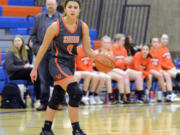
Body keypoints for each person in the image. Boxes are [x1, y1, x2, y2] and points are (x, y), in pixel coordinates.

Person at [30, 0, 96, 135]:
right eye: (70, 7)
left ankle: (46, 129)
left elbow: (88, 50)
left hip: (70, 64)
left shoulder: (83, 27)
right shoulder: (55, 26)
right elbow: (42, 48)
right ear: (65, 9)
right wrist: (34, 68)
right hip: (57, 63)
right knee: (75, 92)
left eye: (75, 7)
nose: (72, 9)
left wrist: (99, 57)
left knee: (57, 95)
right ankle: (76, 129)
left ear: (79, 10)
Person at [31, 0, 61, 111]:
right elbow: (33, 35)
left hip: (56, 53)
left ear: (56, 5)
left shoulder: (62, 18)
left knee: (58, 78)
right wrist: (37, 48)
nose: (50, 6)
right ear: (46, 5)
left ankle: (59, 102)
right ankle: (44, 103)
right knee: (44, 79)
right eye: (48, 4)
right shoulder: (38, 18)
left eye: (52, 4)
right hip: (42, 53)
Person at [4, 35, 40, 104]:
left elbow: (27, 64)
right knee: (34, 73)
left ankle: (37, 98)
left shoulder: (23, 52)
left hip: (22, 73)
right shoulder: (10, 52)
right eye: (15, 41)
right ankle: (38, 98)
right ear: (13, 43)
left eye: (19, 40)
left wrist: (28, 66)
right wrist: (23, 67)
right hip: (13, 74)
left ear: (22, 42)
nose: (17, 42)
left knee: (36, 74)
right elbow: (9, 67)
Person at [150, 37, 173, 102]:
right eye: (154, 42)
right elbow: (149, 65)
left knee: (167, 75)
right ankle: (164, 93)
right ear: (151, 43)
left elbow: (159, 63)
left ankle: (170, 94)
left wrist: (160, 69)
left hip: (157, 69)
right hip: (150, 70)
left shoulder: (159, 51)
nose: (156, 43)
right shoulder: (149, 51)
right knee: (160, 75)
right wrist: (158, 70)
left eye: (157, 42)